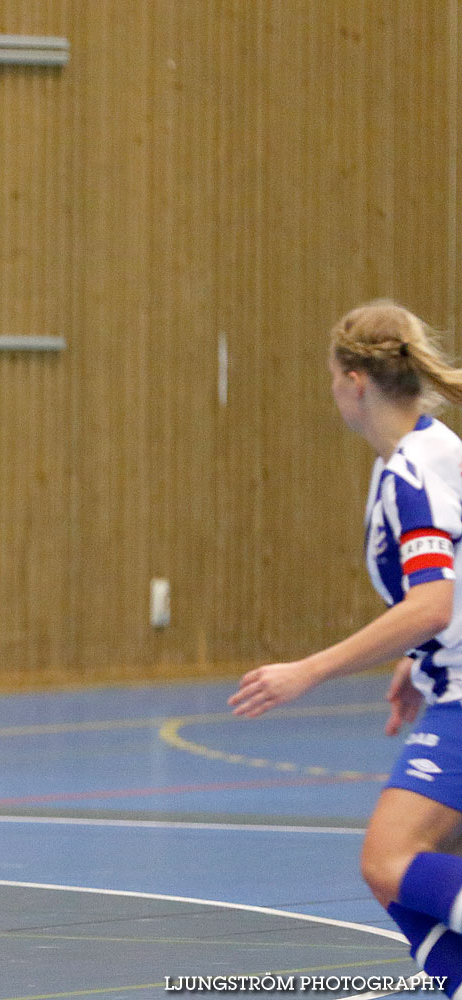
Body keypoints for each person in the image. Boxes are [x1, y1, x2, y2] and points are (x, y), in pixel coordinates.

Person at [229, 300, 462, 986]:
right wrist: (420, 657)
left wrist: (310, 670)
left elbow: (432, 600)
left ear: (355, 382)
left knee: (389, 862)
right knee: (425, 869)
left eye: (332, 377)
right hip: (447, 677)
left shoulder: (410, 475)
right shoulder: (437, 449)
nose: (331, 390)